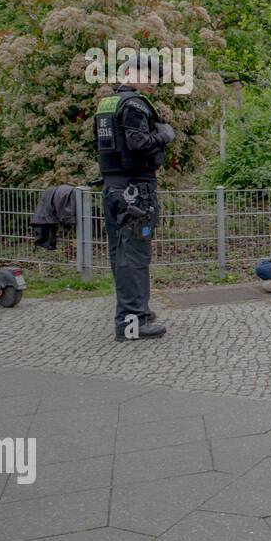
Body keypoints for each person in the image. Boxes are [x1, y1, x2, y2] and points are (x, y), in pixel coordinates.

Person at [94, 52, 175, 342]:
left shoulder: (107, 103)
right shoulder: (134, 105)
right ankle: (133, 322)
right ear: (134, 73)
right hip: (135, 193)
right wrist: (165, 135)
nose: (154, 83)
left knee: (120, 254)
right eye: (151, 76)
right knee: (135, 256)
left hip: (113, 188)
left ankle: (133, 313)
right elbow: (139, 143)